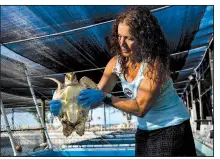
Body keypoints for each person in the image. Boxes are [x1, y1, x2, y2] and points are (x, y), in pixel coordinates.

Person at [50, 6, 197, 156]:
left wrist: (105, 97)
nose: (122, 43)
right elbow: (94, 98)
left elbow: (140, 108)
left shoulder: (154, 64)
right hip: (144, 130)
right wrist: (64, 106)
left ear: (145, 38)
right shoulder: (115, 63)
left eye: (130, 38)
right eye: (119, 36)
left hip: (172, 127)